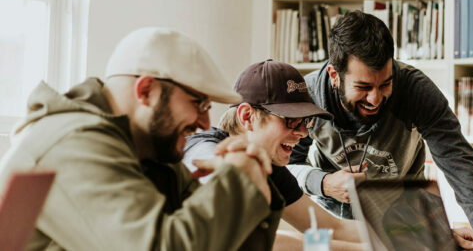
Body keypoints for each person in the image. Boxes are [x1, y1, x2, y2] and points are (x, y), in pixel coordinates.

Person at [0, 27, 280, 250]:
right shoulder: (71, 144)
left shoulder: (150, 152)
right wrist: (237, 179)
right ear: (146, 91)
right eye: (198, 103)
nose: (205, 123)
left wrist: (254, 175)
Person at [285, 10, 473, 246]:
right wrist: (323, 183)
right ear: (335, 75)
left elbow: (458, 161)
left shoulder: (416, 90)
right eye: (363, 87)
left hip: (405, 222)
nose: (375, 99)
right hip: (333, 226)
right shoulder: (308, 96)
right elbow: (286, 167)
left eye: (385, 84)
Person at [182, 59, 364, 251]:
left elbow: (333, 228)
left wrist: (393, 234)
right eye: (292, 120)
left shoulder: (269, 166)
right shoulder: (203, 148)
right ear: (247, 116)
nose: (303, 133)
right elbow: (256, 242)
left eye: (306, 121)